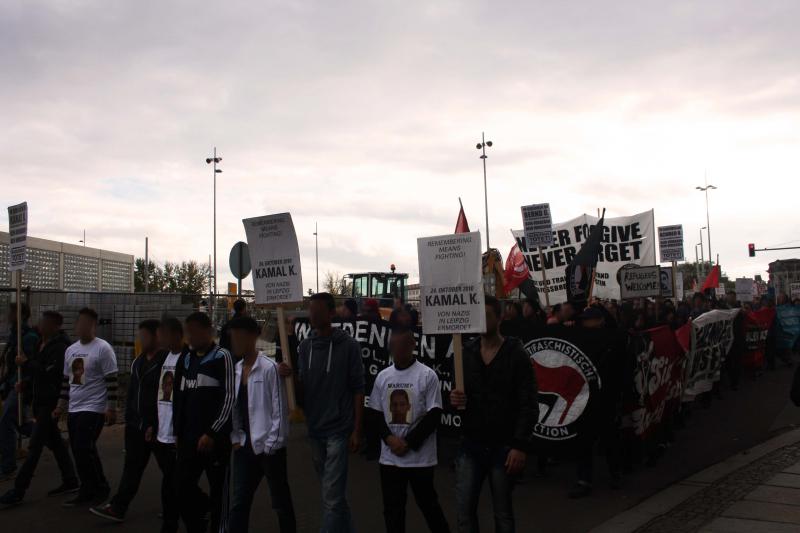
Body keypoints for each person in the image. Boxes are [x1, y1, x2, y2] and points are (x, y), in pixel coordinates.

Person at [450, 296, 538, 533]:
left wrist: (520, 445)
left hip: (504, 447)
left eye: (487, 315)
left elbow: (528, 402)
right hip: (471, 444)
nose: (481, 321)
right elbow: (456, 396)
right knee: (464, 512)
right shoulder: (466, 353)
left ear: (500, 318)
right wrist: (454, 399)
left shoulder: (515, 354)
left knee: (503, 514)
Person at [279, 292, 364, 532]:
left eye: (317, 311)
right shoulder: (305, 347)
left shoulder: (348, 346)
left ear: (331, 313)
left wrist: (357, 430)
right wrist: (289, 377)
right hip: (315, 429)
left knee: (331, 498)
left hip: (339, 429)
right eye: (310, 311)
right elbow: (302, 387)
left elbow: (358, 389)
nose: (312, 316)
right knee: (332, 494)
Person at [90, 319, 179, 532]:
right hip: (136, 427)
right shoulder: (138, 361)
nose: (141, 339)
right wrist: (129, 417)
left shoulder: (166, 361)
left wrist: (155, 423)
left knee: (172, 472)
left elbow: (166, 397)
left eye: (145, 336)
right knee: (132, 469)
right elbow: (133, 393)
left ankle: (188, 506)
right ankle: (118, 507)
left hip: (157, 428)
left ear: (156, 336)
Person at [367, 326, 450, 533]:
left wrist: (409, 442)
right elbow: (375, 413)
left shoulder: (427, 375)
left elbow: (434, 414)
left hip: (420, 459)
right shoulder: (383, 377)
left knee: (429, 506)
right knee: (393, 510)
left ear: (412, 345)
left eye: (402, 345)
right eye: (393, 346)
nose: (397, 350)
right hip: (390, 459)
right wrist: (389, 439)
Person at [0, 311, 77, 505]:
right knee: (56, 444)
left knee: (34, 448)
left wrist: (27, 364)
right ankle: (71, 480)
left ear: (55, 326)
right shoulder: (40, 344)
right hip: (39, 400)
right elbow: (37, 372)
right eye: (41, 321)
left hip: (50, 403)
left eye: (45, 322)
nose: (40, 325)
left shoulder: (60, 348)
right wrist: (25, 383)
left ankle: (18, 490)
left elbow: (50, 373)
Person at [228, 316, 296, 533]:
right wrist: (236, 438)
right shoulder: (236, 370)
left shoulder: (269, 369)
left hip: (269, 450)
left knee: (280, 502)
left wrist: (271, 445)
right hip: (244, 448)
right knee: (239, 501)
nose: (235, 342)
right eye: (232, 337)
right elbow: (234, 409)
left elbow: (279, 410)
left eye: (239, 337)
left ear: (252, 337)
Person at [173, 311, 235, 533]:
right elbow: (179, 398)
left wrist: (212, 432)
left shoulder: (221, 357)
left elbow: (229, 398)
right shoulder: (186, 358)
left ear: (208, 331)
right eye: (188, 333)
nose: (190, 337)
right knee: (180, 487)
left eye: (195, 332)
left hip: (214, 441)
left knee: (220, 491)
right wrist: (177, 432)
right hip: (188, 439)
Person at [53, 307, 118, 507]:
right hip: (75, 407)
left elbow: (112, 380)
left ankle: (98, 488)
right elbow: (67, 382)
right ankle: (90, 488)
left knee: (83, 448)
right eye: (80, 322)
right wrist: (60, 406)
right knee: (81, 450)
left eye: (87, 323)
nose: (82, 326)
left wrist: (111, 408)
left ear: (93, 326)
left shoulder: (102, 348)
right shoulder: (70, 350)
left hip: (94, 407)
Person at [0, 302, 39, 481]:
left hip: (21, 386)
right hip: (11, 384)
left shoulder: (28, 337)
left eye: (11, 312)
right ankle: (49, 435)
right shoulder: (14, 335)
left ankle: (8, 466)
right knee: (21, 424)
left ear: (20, 314)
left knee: (6, 421)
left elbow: (32, 365)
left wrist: (23, 381)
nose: (7, 315)